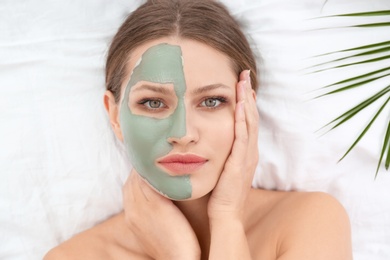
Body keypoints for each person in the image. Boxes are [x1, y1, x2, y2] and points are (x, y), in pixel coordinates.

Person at [44, 0, 352, 259]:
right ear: (114, 115)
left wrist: (227, 219)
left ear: (248, 110)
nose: (183, 132)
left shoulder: (310, 222)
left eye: (212, 101)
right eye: (152, 103)